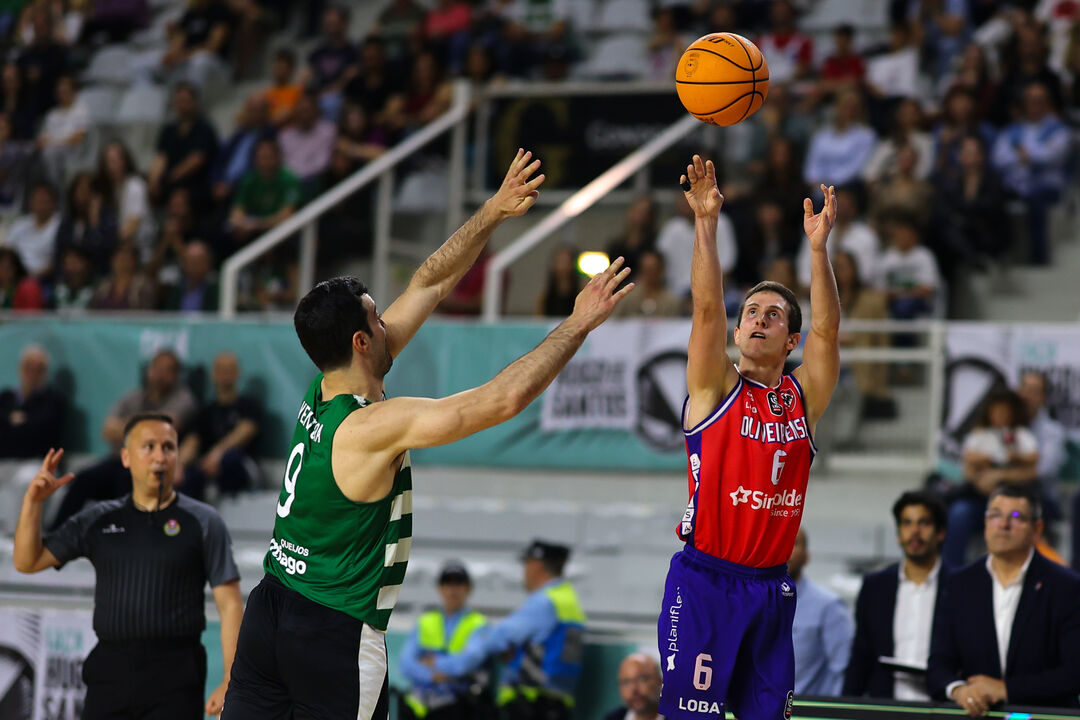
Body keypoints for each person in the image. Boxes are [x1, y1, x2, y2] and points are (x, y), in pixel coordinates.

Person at [219, 149, 631, 719]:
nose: (387, 319)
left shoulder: (326, 385)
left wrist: (492, 211)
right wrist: (579, 322)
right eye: (376, 317)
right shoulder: (372, 427)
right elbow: (501, 400)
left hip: (271, 610)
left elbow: (429, 284)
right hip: (332, 630)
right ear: (362, 342)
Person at [656, 155, 840, 720]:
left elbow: (829, 331)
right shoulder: (714, 388)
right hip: (707, 582)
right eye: (751, 312)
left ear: (790, 340)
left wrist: (817, 250)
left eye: (774, 315)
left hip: (769, 588)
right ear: (737, 332)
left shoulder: (801, 399)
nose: (758, 319)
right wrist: (706, 222)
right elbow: (707, 307)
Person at [13, 414, 244, 718]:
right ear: (126, 457)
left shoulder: (204, 521)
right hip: (110, 670)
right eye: (149, 447)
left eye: (168, 447)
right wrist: (33, 503)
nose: (160, 456)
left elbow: (229, 605)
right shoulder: (98, 519)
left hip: (176, 673)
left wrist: (230, 678)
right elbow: (27, 562)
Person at [927, 484, 1080, 713]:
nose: (1003, 525)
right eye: (995, 515)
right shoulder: (960, 584)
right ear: (986, 523)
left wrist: (1007, 690)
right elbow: (939, 665)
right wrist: (958, 690)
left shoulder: (1066, 586)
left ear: (1037, 529)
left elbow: (1074, 673)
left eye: (1016, 517)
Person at [428, 541, 586, 720]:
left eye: (526, 565)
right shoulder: (568, 599)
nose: (524, 572)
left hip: (531, 705)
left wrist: (443, 666)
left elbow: (495, 640)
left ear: (536, 566)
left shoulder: (543, 602)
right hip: (559, 703)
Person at [51, 348, 199, 526]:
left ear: (175, 375)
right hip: (120, 460)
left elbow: (162, 429)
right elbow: (107, 430)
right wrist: (144, 427)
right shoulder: (133, 397)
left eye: (167, 370)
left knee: (127, 480)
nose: (160, 375)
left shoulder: (183, 399)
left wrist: (128, 427)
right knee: (83, 480)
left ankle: (128, 536)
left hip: (154, 465)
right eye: (157, 368)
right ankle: (57, 533)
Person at [844, 490, 949, 699]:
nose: (915, 532)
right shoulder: (875, 586)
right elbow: (861, 656)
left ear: (941, 533)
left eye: (924, 523)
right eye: (907, 523)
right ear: (898, 533)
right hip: (886, 706)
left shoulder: (959, 586)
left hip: (942, 707)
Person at [944, 389, 1039, 568]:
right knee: (958, 513)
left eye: (1005, 412)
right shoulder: (979, 436)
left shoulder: (1021, 436)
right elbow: (969, 469)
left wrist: (1002, 473)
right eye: (997, 411)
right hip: (981, 501)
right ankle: (952, 573)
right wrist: (985, 474)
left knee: (1022, 518)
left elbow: (1032, 466)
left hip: (1015, 505)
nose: (1001, 416)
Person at [991, 81, 1072, 265]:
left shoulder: (1059, 130)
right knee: (991, 197)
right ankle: (1001, 255)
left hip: (1046, 187)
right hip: (1015, 185)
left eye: (1039, 100)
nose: (1034, 105)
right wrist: (1027, 156)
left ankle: (1038, 256)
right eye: (1030, 100)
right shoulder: (1012, 130)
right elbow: (999, 158)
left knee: (1036, 199)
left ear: (1048, 104)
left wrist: (1022, 154)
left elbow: (1051, 156)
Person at [399, 562, 491, 720]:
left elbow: (469, 660)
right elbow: (405, 663)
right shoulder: (426, 621)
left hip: (458, 703)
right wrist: (432, 676)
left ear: (468, 589)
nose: (453, 590)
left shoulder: (478, 623)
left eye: (459, 584)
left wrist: (433, 663)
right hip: (422, 704)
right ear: (440, 588)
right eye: (447, 583)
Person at [179, 352, 261, 501]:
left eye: (230, 369)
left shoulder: (249, 405)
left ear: (237, 373)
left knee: (230, 459)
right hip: (210, 468)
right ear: (213, 374)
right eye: (221, 369)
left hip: (242, 467)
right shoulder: (206, 411)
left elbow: (246, 430)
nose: (225, 374)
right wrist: (177, 466)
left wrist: (217, 454)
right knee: (189, 475)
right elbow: (193, 440)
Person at [788, 529, 853, 696]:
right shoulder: (751, 602)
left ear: (806, 557)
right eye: (780, 540)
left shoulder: (828, 606)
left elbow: (843, 670)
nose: (785, 548)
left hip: (806, 711)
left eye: (794, 543)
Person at [148, 83, 220, 208]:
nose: (182, 105)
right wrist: (154, 180)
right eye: (179, 101)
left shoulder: (204, 128)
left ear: (194, 102)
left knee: (179, 197)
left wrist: (170, 178)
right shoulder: (169, 130)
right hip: (171, 181)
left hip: (196, 183)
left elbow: (196, 160)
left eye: (185, 101)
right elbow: (161, 157)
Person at [227, 137, 300, 245]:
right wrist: (239, 223)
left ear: (278, 157)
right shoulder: (250, 180)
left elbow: (286, 216)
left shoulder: (289, 179)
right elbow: (237, 210)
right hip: (257, 229)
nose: (265, 162)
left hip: (284, 231)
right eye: (261, 157)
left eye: (268, 157)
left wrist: (255, 224)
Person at [0, 345, 65, 459]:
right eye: (29, 367)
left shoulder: (53, 400)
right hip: (5, 460)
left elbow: (43, 430)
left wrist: (13, 421)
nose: (33, 373)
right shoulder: (6, 397)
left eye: (39, 369)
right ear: (21, 368)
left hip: (35, 461)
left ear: (45, 371)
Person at [5, 181, 61, 278]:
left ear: (53, 202)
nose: (41, 206)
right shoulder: (21, 224)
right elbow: (7, 251)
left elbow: (57, 261)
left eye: (45, 202)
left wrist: (32, 276)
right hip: (14, 276)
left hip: (42, 278)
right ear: (31, 202)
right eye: (38, 201)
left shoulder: (60, 226)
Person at [613, 250, 681, 319]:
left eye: (652, 269)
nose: (649, 274)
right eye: (646, 269)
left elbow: (675, 325)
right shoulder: (628, 296)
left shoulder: (671, 301)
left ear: (661, 270)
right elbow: (614, 321)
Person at [603, 653, 663, 720]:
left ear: (660, 681)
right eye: (626, 682)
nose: (633, 689)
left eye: (641, 679)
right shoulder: (612, 718)